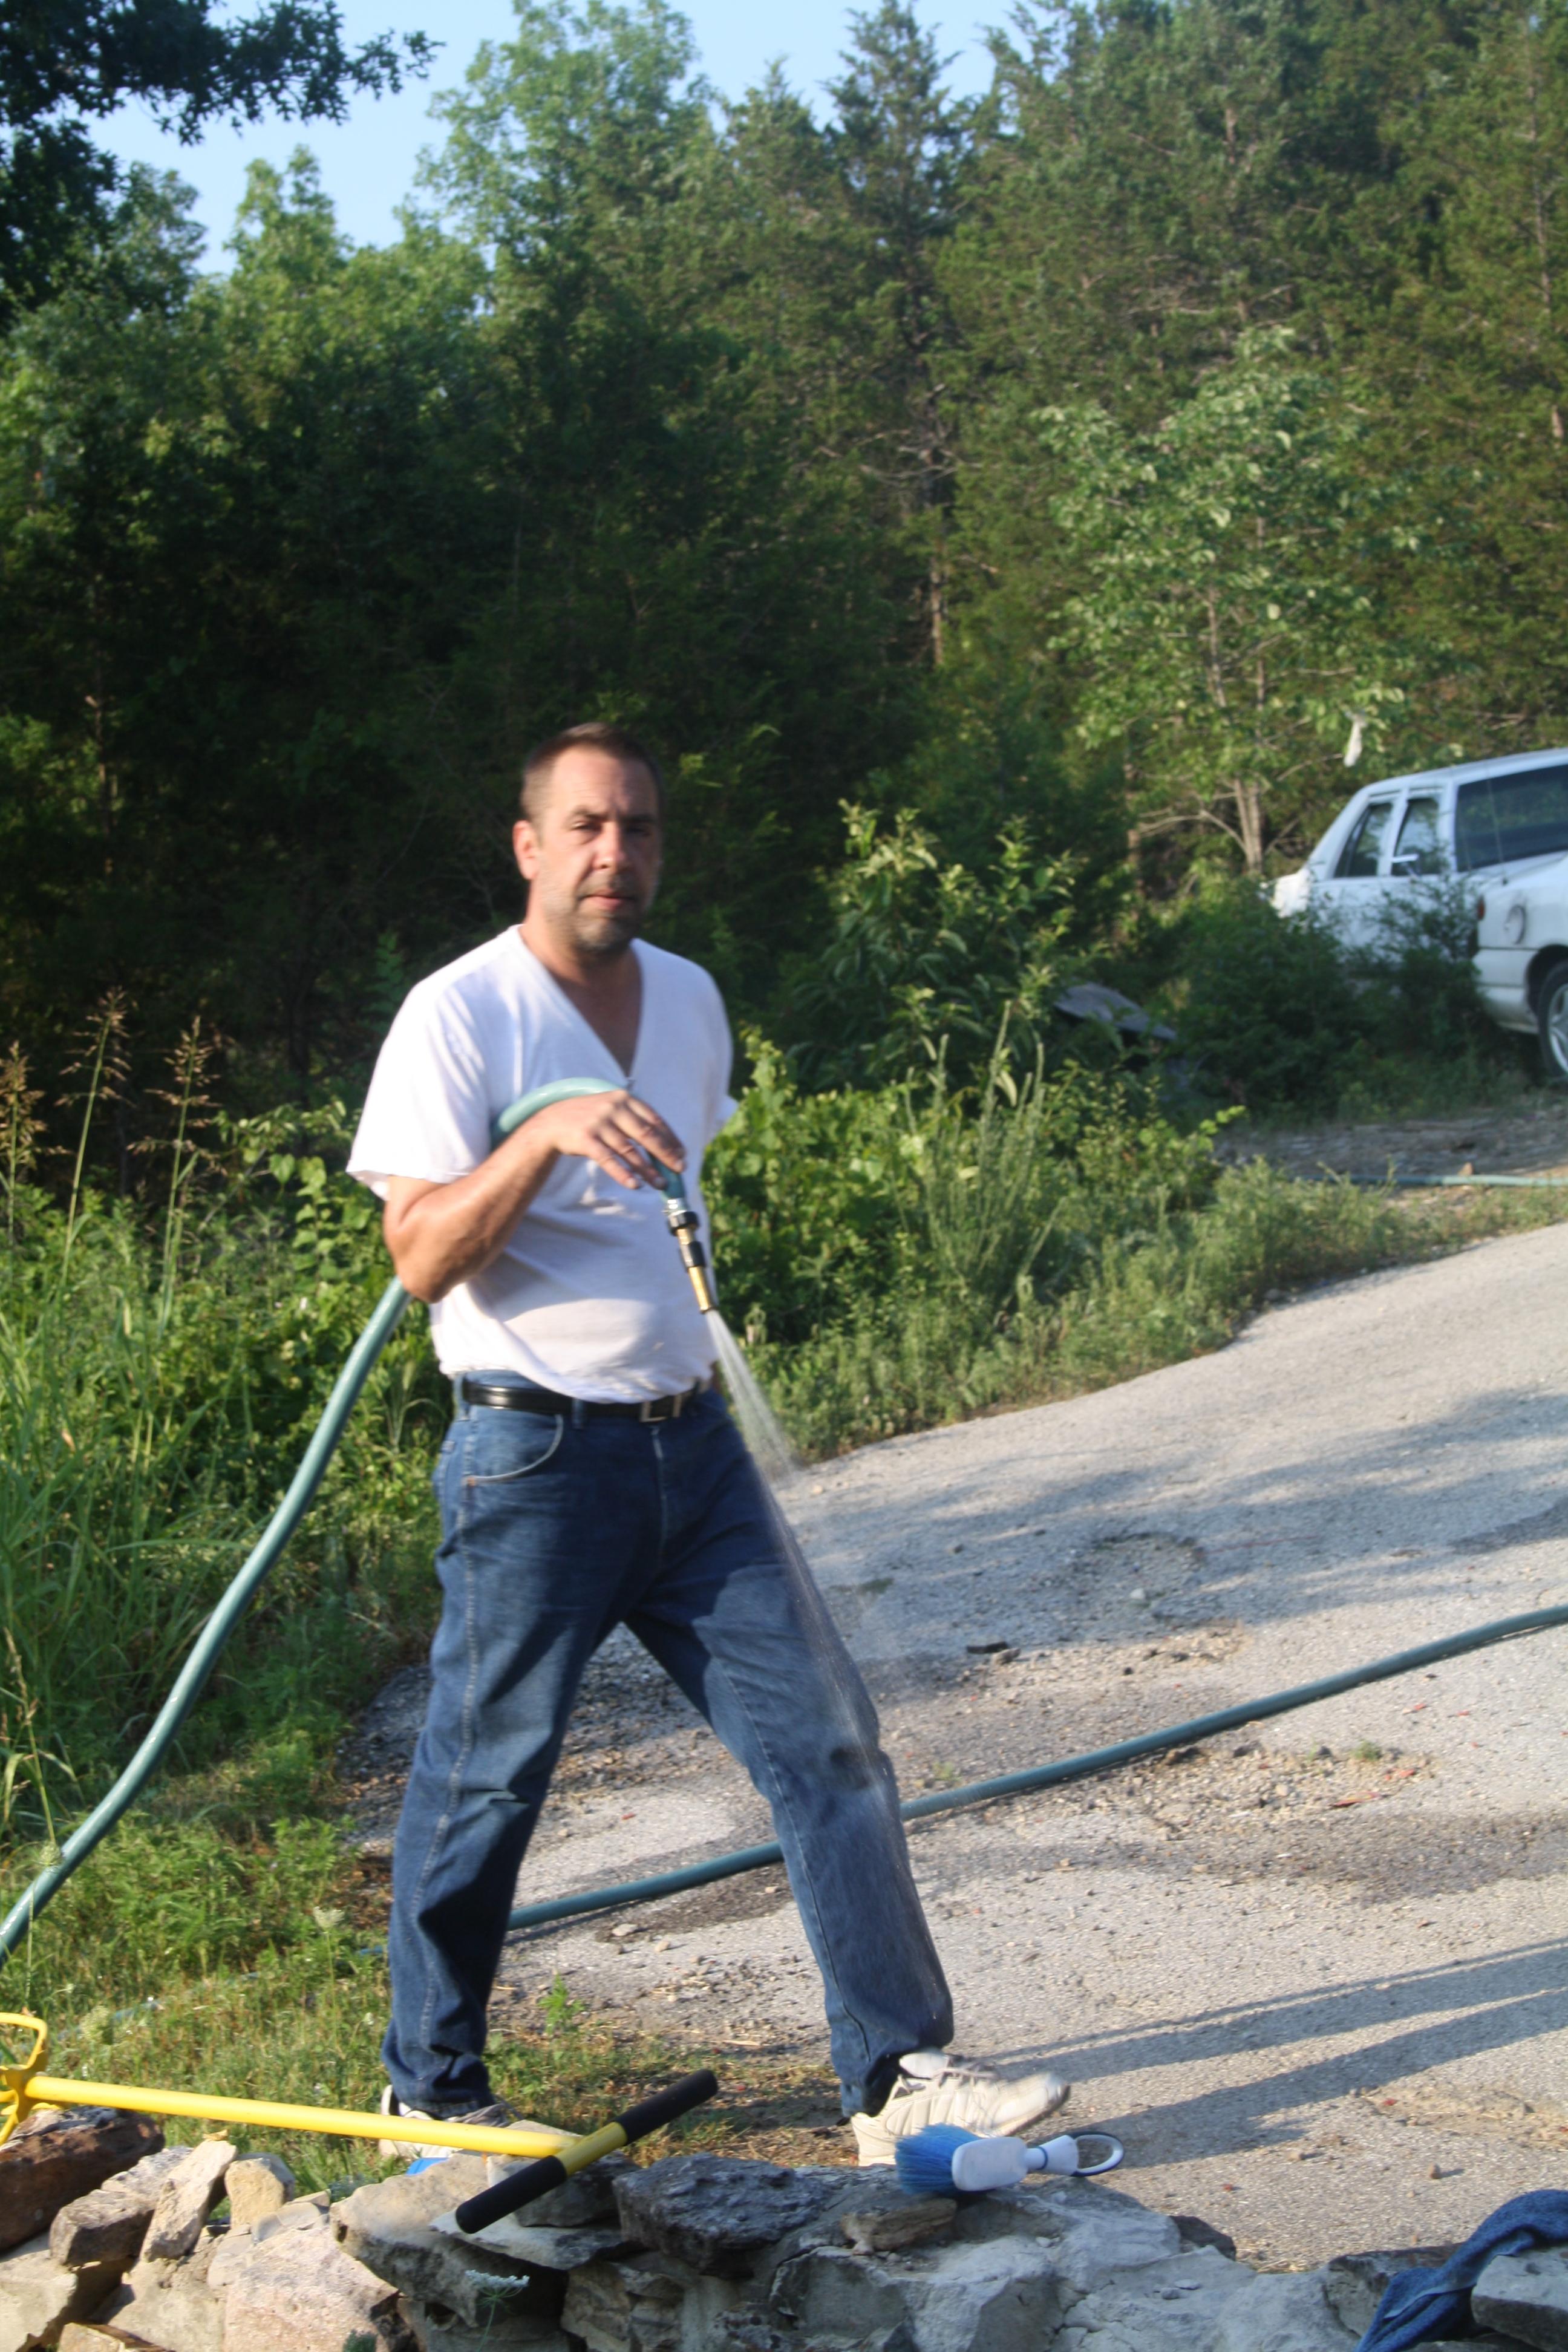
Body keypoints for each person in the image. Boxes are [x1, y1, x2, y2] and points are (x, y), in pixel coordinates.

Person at [348, 721, 1070, 2163]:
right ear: (530, 846)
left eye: (641, 827)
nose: (616, 852)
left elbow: (666, 1204)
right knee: (488, 1775)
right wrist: (540, 1136)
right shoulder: (460, 1013)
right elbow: (419, 1257)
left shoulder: (687, 998)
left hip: (698, 1450)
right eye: (587, 826)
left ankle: (897, 2080)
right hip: (535, 1459)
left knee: (832, 1746)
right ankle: (430, 2094)